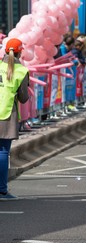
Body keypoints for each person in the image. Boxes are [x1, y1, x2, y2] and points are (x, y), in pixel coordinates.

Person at [0, 38, 29, 200]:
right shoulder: (21, 70)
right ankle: (2, 191)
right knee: (3, 153)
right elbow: (23, 98)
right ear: (20, 51)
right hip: (6, 115)